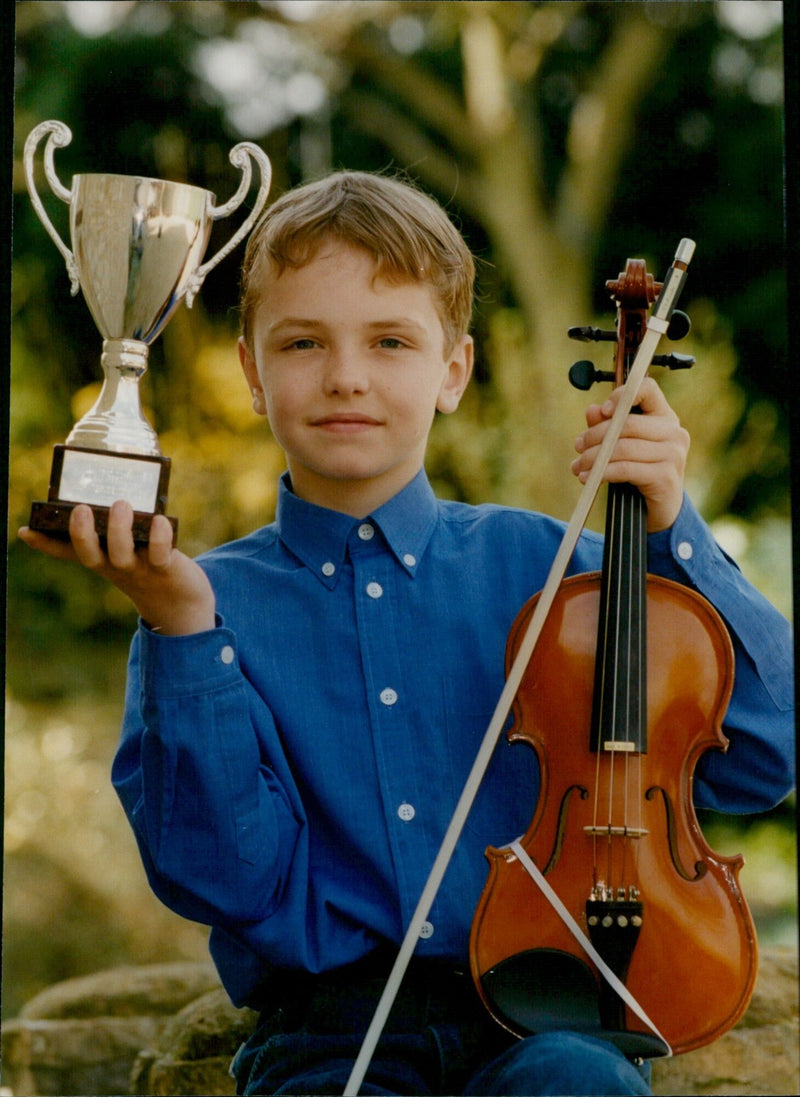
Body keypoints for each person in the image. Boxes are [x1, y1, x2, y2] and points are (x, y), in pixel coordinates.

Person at [20, 171, 794, 1097]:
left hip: (552, 1018)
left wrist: (676, 530)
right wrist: (182, 628)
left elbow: (765, 755)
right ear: (253, 374)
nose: (347, 375)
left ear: (454, 372)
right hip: (326, 1041)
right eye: (304, 342)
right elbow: (224, 879)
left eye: (391, 341)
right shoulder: (201, 602)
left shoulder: (556, 574)